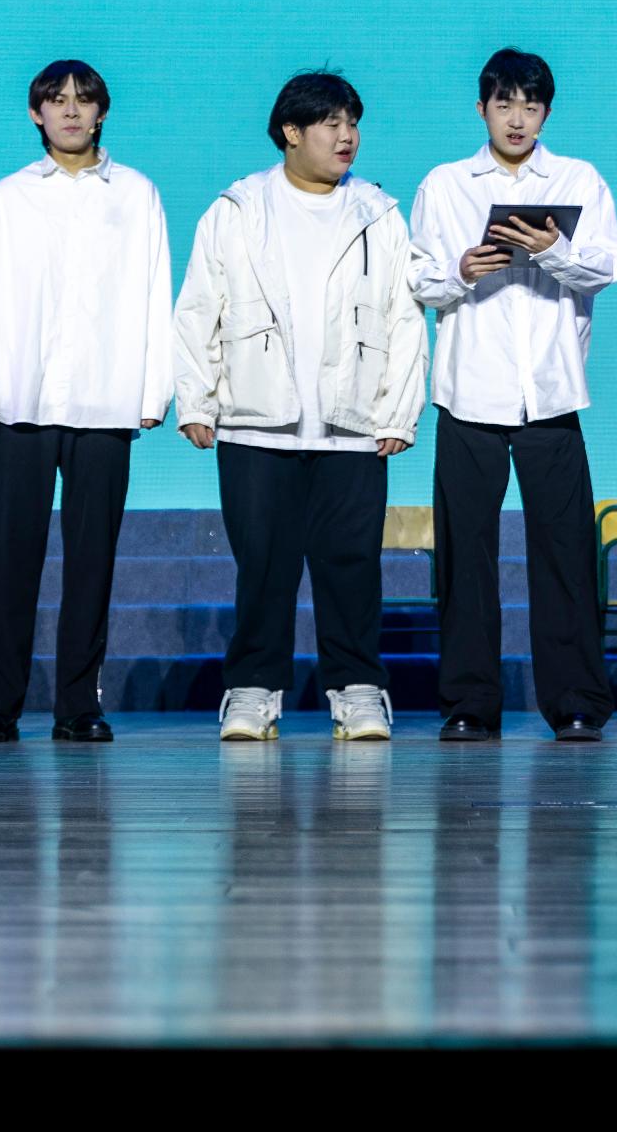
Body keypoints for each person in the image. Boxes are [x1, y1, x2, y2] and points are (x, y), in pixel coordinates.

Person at [173, 70, 429, 743]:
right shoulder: (238, 208)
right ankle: (253, 690)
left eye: (353, 123)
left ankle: (358, 691)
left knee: (352, 566)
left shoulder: (377, 212)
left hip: (352, 427)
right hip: (257, 424)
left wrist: (398, 413)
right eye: (331, 123)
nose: (348, 136)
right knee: (263, 567)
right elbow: (199, 306)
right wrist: (196, 398)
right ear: (291, 131)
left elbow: (405, 318)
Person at [0, 59, 175, 746]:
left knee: (91, 562)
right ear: (36, 113)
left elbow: (154, 290)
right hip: (20, 399)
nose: (71, 111)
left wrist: (153, 389)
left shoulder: (135, 194)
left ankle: (79, 704)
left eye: (83, 100)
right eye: (57, 100)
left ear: (102, 112)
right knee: (9, 560)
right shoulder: (6, 198)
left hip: (105, 399)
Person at [408, 49, 617, 744]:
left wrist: (553, 249)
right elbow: (419, 279)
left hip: (551, 393)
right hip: (470, 392)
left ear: (546, 113)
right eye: (504, 104)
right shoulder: (446, 184)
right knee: (465, 555)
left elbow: (607, 266)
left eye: (531, 106)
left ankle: (576, 702)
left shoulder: (577, 178)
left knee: (564, 553)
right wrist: (462, 270)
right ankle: (469, 703)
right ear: (482, 108)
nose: (517, 119)